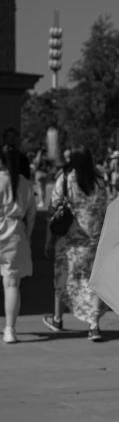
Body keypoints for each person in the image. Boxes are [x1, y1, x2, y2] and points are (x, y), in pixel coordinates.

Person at [43, 145, 109, 342]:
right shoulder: (99, 183)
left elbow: (52, 210)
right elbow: (105, 210)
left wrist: (49, 241)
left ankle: (57, 319)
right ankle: (94, 326)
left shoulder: (65, 181)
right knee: (93, 282)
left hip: (69, 242)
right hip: (94, 240)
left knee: (63, 277)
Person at [0, 144, 36, 343]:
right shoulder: (26, 184)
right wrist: (27, 236)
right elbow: (31, 214)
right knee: (12, 283)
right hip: (16, 233)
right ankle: (9, 330)